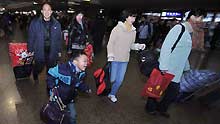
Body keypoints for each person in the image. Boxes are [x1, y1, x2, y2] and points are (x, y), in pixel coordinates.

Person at [145, 9, 206, 118]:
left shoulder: (189, 33)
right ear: (192, 17)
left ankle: (161, 108)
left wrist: (187, 67)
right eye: (200, 18)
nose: (201, 21)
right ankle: (150, 107)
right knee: (157, 88)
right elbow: (166, 47)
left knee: (172, 93)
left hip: (176, 71)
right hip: (167, 68)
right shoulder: (179, 29)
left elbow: (184, 53)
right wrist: (163, 66)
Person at [107, 9, 146, 103]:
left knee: (119, 80)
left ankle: (112, 94)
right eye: (131, 16)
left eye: (134, 17)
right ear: (126, 17)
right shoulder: (117, 28)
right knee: (112, 79)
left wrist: (138, 46)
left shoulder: (133, 31)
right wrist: (110, 55)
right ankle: (105, 88)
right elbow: (110, 43)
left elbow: (131, 45)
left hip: (125, 59)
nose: (133, 19)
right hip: (115, 58)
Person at [47, 51, 91, 124]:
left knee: (72, 116)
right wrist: (52, 86)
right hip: (58, 98)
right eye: (84, 61)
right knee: (56, 117)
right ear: (75, 61)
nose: (86, 63)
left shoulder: (81, 73)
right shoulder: (63, 69)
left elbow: (77, 83)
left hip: (70, 98)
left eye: (87, 61)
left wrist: (85, 88)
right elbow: (51, 73)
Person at [28, 2, 62, 81]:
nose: (47, 12)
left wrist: (59, 50)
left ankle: (49, 83)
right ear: (42, 11)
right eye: (44, 10)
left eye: (48, 10)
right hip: (39, 50)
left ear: (51, 11)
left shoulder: (57, 24)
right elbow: (31, 37)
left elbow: (59, 39)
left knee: (50, 70)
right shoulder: (35, 23)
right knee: (39, 67)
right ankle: (35, 72)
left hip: (52, 51)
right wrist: (30, 49)